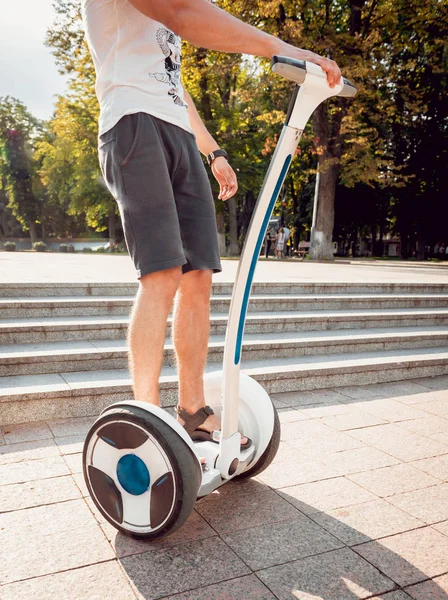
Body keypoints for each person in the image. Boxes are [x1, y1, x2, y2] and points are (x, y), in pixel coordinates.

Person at [81, 0, 341, 449]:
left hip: (176, 131)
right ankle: (147, 417)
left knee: (199, 275)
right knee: (161, 273)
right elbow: (185, 14)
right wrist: (288, 50)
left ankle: (194, 412)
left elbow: (174, 85)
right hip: (132, 123)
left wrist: (213, 151)